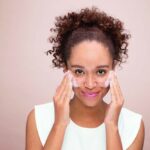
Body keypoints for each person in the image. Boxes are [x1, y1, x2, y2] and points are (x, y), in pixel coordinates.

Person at [25, 7, 145, 150]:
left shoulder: (133, 125)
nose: (89, 84)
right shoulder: (39, 118)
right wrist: (59, 125)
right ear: (65, 67)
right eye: (79, 71)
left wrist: (112, 125)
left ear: (113, 67)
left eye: (100, 71)